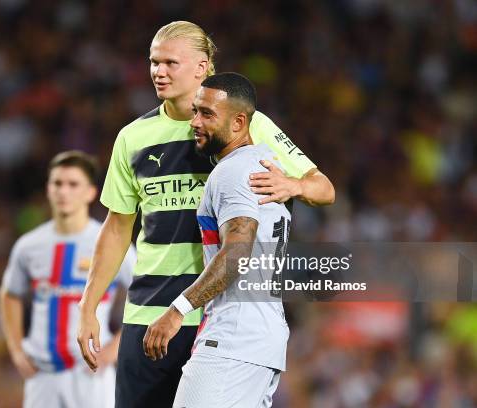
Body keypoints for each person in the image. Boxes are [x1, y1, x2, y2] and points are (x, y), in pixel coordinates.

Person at [77, 21, 334, 408]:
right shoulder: (133, 137)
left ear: (203, 67)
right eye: (153, 62)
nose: (158, 72)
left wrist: (295, 185)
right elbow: (117, 229)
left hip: (212, 316)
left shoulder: (244, 125)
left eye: (170, 63)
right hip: (149, 310)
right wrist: (89, 305)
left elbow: (324, 188)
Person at [144, 72, 289, 407]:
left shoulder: (232, 171)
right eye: (195, 111)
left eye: (207, 114)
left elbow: (237, 254)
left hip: (232, 341)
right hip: (262, 341)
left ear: (239, 122)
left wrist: (177, 310)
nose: (195, 122)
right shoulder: (267, 165)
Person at [0, 151, 136, 408]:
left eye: (73, 184)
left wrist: (116, 347)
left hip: (91, 374)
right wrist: (16, 350)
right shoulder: (29, 246)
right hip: (42, 376)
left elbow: (145, 294)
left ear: (91, 192)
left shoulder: (109, 243)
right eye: (57, 183)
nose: (63, 191)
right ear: (48, 189)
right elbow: (9, 294)